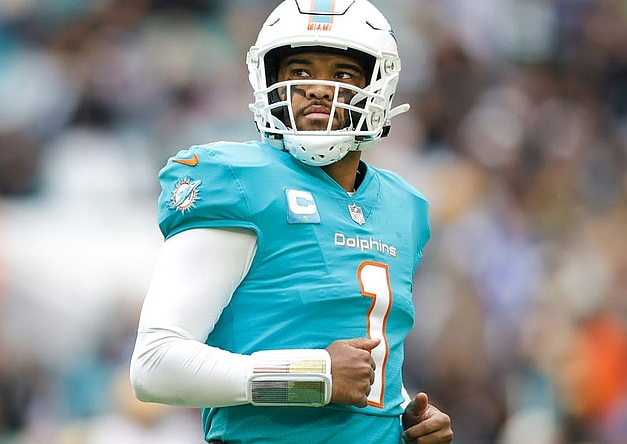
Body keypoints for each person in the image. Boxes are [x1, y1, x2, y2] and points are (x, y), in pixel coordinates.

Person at [129, 1, 454, 443]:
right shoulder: (238, 180)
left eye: (343, 74)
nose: (318, 88)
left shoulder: (404, 205)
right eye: (300, 72)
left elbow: (366, 367)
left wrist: (403, 422)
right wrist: (312, 376)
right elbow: (154, 364)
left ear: (378, 86)